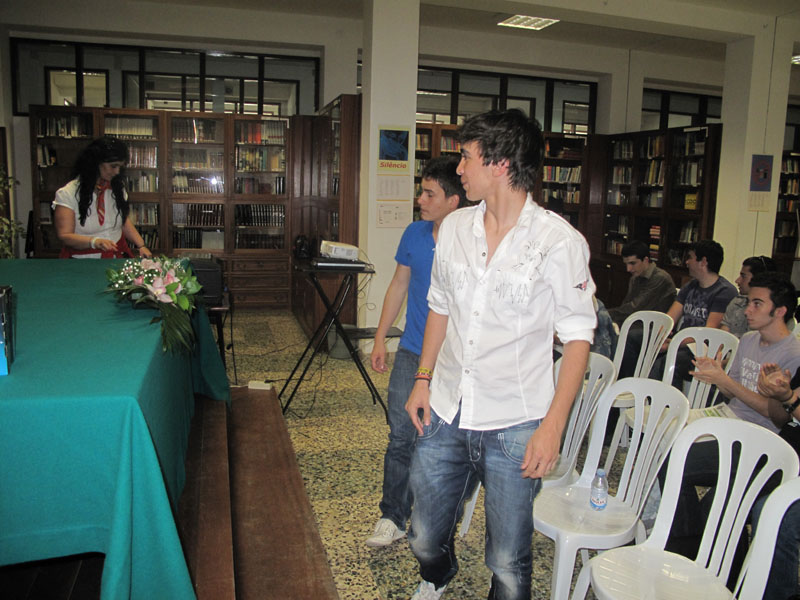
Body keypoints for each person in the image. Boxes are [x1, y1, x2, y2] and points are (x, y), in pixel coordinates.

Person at [404, 109, 596, 600]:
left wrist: (552, 426)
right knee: (422, 535)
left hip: (515, 419)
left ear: (500, 163)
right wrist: (423, 378)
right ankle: (439, 573)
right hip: (448, 407)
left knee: (508, 563)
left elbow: (578, 338)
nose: (459, 169)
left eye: (466, 157)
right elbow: (440, 307)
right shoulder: (454, 228)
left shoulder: (558, 242)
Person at [663, 272, 800, 562]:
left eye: (757, 304)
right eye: (749, 302)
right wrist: (717, 376)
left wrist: (725, 381)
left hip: (759, 437)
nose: (747, 310)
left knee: (678, 462)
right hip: (730, 420)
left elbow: (776, 416)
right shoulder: (749, 340)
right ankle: (692, 547)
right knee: (665, 446)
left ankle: (688, 549)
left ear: (780, 311)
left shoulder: (793, 354)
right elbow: (732, 394)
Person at [365, 156, 467, 548]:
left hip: (454, 360)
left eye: (429, 194)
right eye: (421, 192)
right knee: (401, 437)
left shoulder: (472, 243)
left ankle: (434, 522)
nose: (420, 200)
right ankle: (392, 516)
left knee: (443, 445)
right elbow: (398, 286)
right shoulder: (414, 233)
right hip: (411, 351)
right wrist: (380, 338)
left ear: (453, 200)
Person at [620, 239, 736, 384]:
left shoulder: (724, 292)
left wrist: (674, 343)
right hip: (679, 339)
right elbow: (670, 318)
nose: (687, 262)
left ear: (703, 262)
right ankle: (629, 385)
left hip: (700, 348)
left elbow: (707, 333)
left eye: (690, 257)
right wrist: (659, 337)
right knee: (632, 337)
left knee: (664, 363)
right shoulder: (691, 286)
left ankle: (659, 397)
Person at [53, 136, 152, 259]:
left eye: (120, 167)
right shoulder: (68, 193)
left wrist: (141, 245)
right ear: (96, 163)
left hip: (115, 256)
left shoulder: (117, 188)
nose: (117, 172)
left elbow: (122, 221)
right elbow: (65, 235)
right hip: (82, 260)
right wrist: (94, 242)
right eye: (113, 166)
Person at [607, 239, 676, 326]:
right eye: (626, 264)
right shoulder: (635, 277)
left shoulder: (660, 278)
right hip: (638, 321)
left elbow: (635, 307)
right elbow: (626, 306)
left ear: (645, 260)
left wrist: (606, 314)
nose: (628, 269)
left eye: (633, 263)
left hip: (654, 327)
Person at [721, 255, 776, 338]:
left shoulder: (771, 310)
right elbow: (724, 335)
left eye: (743, 276)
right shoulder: (736, 302)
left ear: (759, 278)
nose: (737, 280)